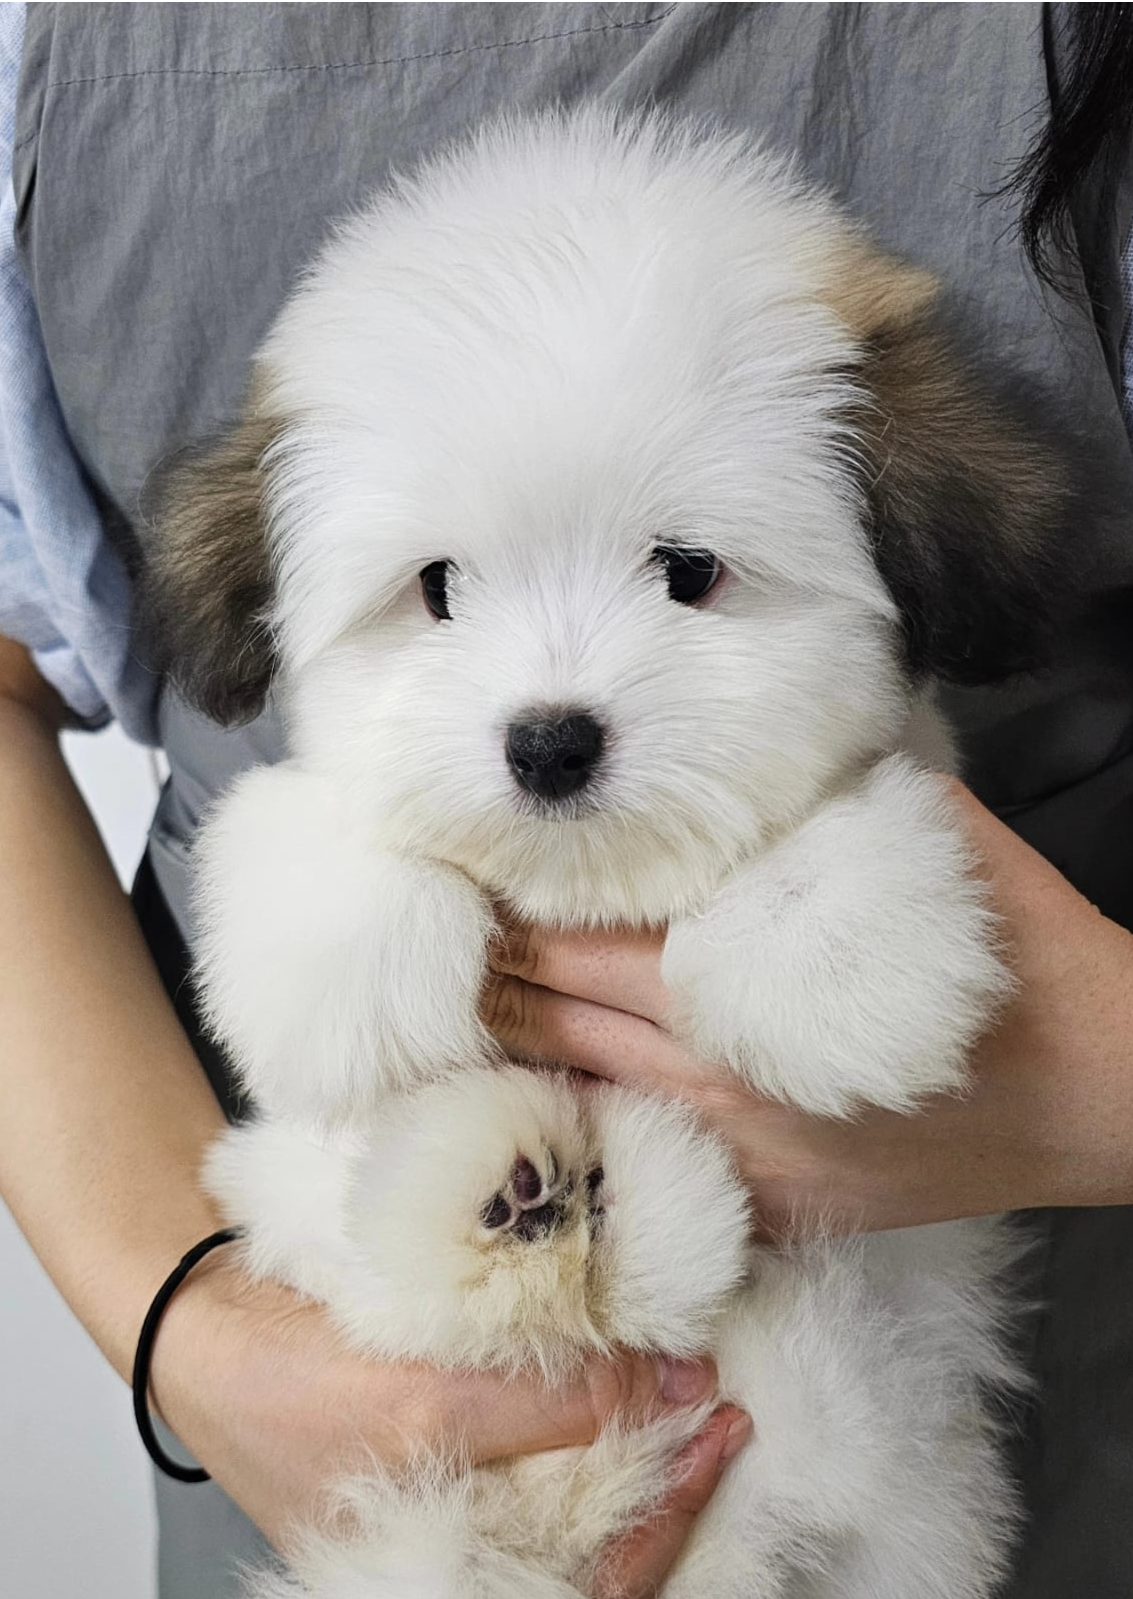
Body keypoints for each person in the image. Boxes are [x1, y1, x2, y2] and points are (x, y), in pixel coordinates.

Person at [1, 4, 1132, 1596]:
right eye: (442, 586)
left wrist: (1098, 1081)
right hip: (325, 1444)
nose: (552, 709)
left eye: (685, 573)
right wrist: (187, 1326)